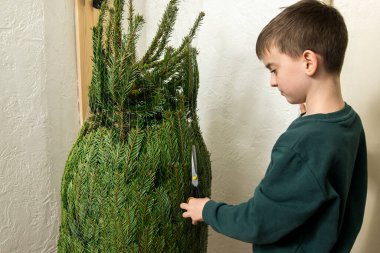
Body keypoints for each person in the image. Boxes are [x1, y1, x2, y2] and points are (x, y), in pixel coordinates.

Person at [179, 0, 367, 252]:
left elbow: (258, 220)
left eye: (274, 69)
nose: (272, 82)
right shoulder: (349, 122)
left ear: (309, 62)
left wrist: (207, 210)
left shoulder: (300, 144)